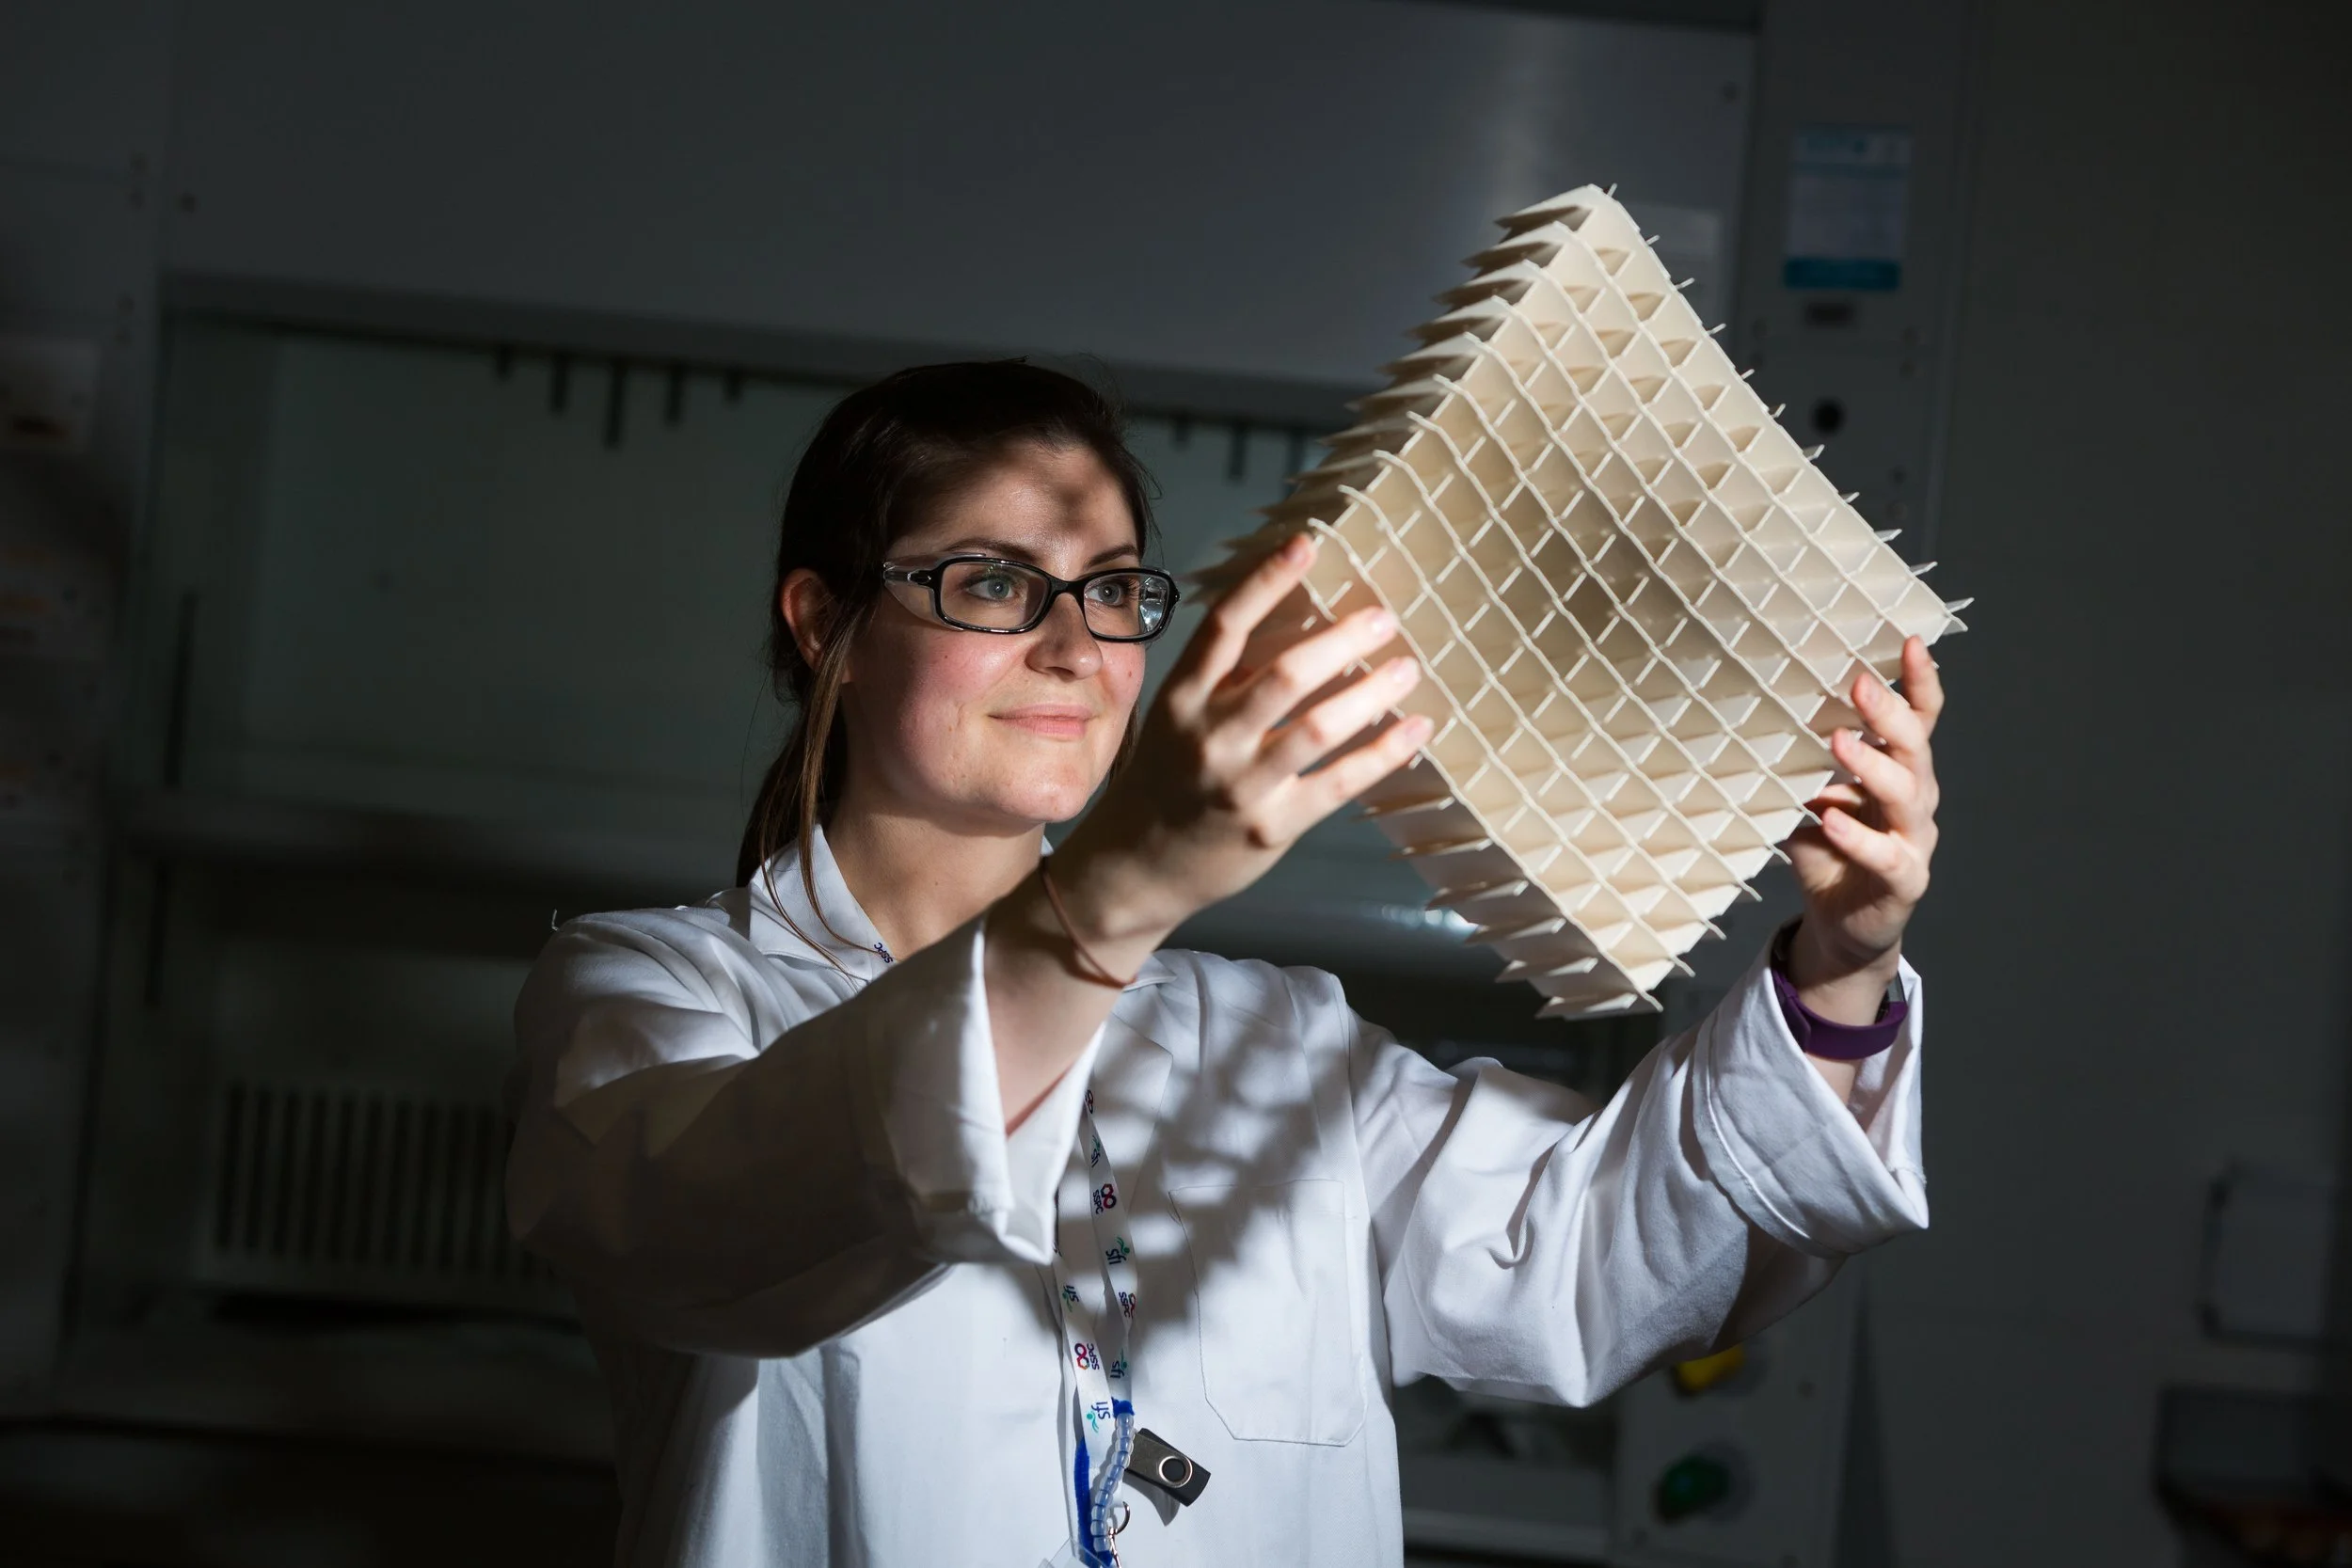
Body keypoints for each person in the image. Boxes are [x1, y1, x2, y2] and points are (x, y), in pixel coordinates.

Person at [505, 361, 1940, 1568]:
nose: (1073, 644)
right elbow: (724, 1216)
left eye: (1114, 587)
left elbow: (1588, 1259)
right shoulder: (657, 995)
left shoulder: (1274, 1039)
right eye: (993, 582)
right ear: (826, 624)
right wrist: (1119, 890)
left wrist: (1840, 970)